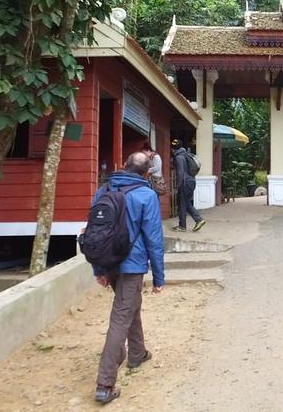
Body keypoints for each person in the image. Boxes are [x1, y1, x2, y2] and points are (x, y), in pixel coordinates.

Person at [92, 152, 165, 404]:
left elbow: (95, 232)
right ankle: (105, 383)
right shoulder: (147, 195)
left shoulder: (103, 190)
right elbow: (154, 240)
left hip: (109, 262)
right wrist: (159, 277)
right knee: (120, 317)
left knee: (131, 305)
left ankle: (137, 353)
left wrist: (99, 270)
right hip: (132, 266)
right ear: (147, 173)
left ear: (124, 166)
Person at [171, 139, 206, 232]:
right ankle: (198, 220)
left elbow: (180, 173)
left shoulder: (179, 157)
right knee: (186, 203)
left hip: (184, 183)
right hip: (191, 181)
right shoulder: (186, 155)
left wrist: (177, 186)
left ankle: (183, 226)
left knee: (182, 204)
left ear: (173, 149)